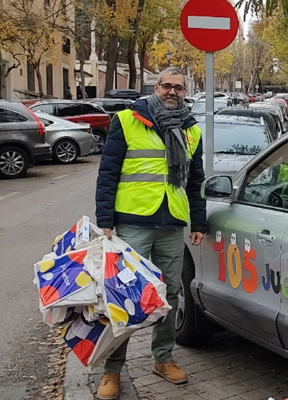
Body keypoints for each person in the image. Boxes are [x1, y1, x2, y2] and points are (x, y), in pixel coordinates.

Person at [95, 66, 206, 400]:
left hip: (171, 223)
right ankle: (112, 370)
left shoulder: (191, 130)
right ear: (156, 88)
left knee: (169, 295)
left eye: (179, 88)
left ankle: (163, 358)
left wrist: (198, 222)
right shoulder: (128, 120)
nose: (173, 92)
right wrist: (105, 218)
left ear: (185, 93)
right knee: (125, 297)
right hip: (132, 223)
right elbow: (108, 172)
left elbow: (196, 180)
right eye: (167, 86)